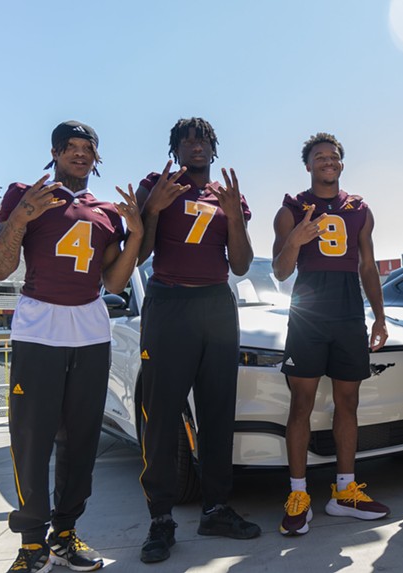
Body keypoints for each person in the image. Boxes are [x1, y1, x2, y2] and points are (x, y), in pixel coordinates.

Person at [0, 120, 142, 573]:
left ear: (97, 157)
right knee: (31, 439)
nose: (79, 154)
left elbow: (114, 281)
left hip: (91, 332)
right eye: (69, 147)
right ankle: (31, 543)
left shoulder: (107, 211)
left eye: (87, 148)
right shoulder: (28, 194)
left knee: (81, 441)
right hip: (39, 328)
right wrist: (20, 217)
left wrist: (135, 234)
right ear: (54, 153)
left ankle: (66, 533)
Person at [135, 117, 258, 563]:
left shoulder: (227, 195)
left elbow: (241, 265)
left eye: (202, 139)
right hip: (170, 304)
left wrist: (233, 217)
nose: (195, 146)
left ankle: (216, 508)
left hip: (216, 306)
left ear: (213, 147)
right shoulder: (158, 184)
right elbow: (142, 253)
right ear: (175, 148)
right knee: (163, 416)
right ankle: (161, 520)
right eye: (186, 140)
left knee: (217, 412)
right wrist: (152, 209)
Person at [273, 132, 390, 536]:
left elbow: (368, 266)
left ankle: (344, 491)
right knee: (301, 402)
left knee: (348, 401)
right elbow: (280, 270)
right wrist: (296, 240)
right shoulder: (291, 208)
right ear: (308, 165)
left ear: (341, 164)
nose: (328, 161)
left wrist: (378, 315)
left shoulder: (359, 209)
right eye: (319, 157)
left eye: (334, 157)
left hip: (347, 313)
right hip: (308, 314)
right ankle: (299, 494)